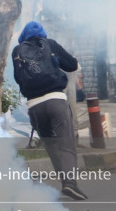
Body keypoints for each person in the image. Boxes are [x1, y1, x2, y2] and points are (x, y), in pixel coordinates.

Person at [12, 21, 88, 200]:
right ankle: (69, 184)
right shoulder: (50, 44)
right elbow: (72, 66)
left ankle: (66, 181)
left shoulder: (17, 52)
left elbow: (18, 78)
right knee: (66, 143)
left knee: (51, 144)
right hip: (56, 101)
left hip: (34, 106)